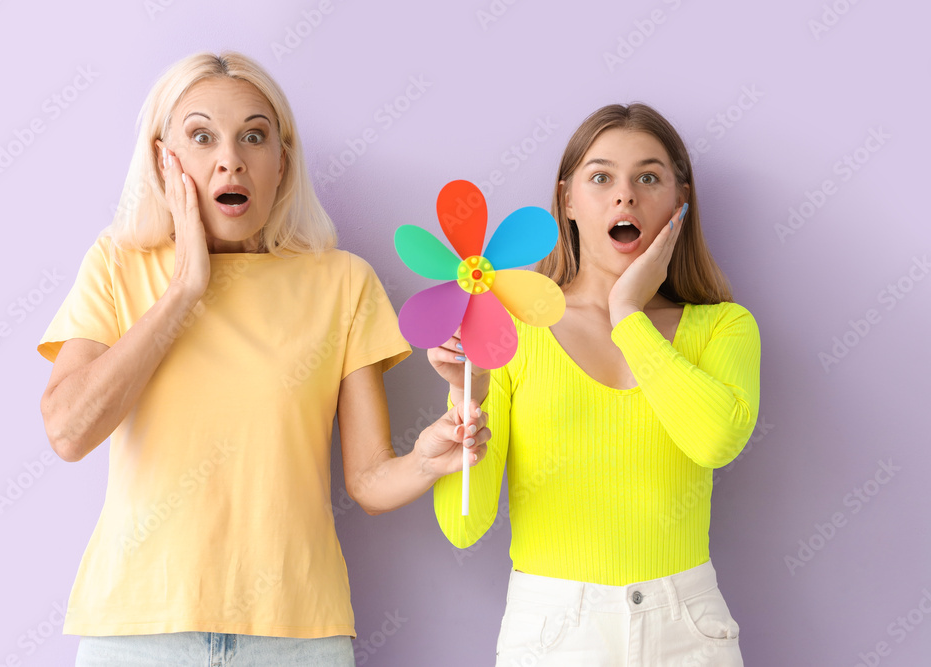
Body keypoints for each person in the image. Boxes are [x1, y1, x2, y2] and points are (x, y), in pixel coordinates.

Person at [37, 50, 489, 667]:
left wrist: (428, 460)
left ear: (283, 160)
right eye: (201, 137)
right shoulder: (117, 266)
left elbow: (368, 481)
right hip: (136, 630)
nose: (231, 159)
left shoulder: (343, 284)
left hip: (297, 637)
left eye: (254, 135)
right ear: (163, 159)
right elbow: (67, 430)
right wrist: (184, 290)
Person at [431, 103, 760, 665]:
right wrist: (470, 396)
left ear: (679, 205)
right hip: (555, 630)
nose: (624, 196)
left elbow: (715, 442)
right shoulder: (508, 328)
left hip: (687, 626)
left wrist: (627, 312)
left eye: (648, 177)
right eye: (601, 176)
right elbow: (464, 526)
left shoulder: (724, 326)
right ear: (568, 201)